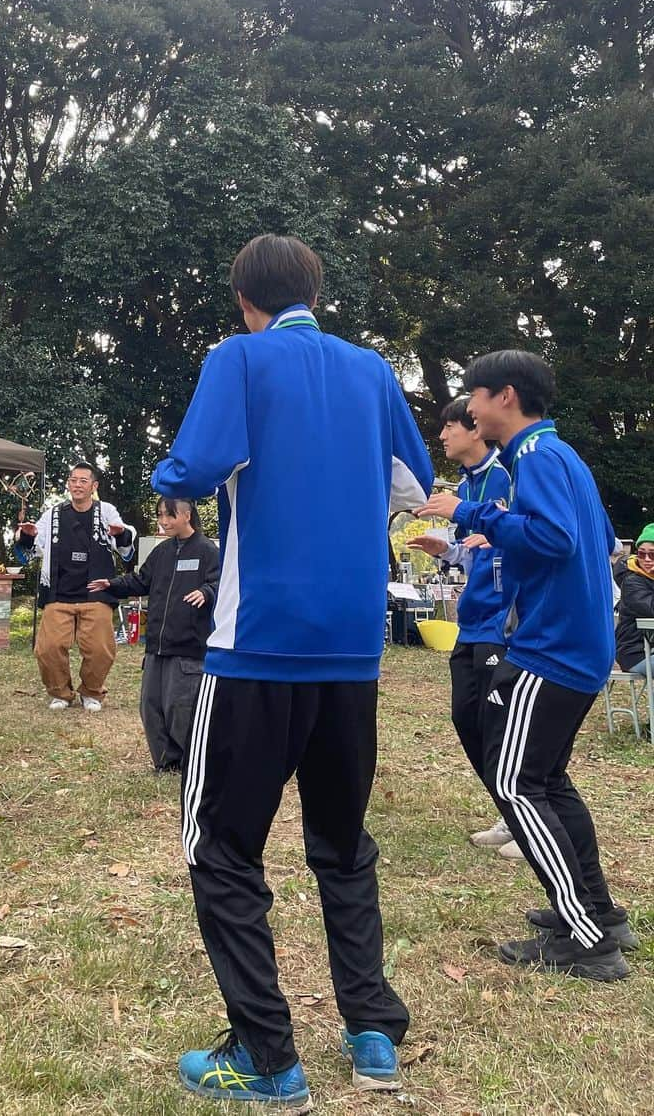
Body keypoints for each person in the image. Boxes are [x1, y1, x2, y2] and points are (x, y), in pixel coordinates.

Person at [152, 234, 433, 1107]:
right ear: (314, 288)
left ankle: (267, 1058)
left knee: (223, 849)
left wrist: (170, 471)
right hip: (352, 650)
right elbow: (411, 485)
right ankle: (372, 1031)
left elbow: (193, 471)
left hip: (256, 643)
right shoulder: (372, 369)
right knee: (343, 845)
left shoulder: (237, 358)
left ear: (245, 299)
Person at [418, 349, 633, 981]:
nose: (468, 409)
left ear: (504, 397)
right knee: (549, 781)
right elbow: (574, 540)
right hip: (576, 645)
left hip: (555, 649)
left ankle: (588, 940)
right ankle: (600, 911)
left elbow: (555, 539)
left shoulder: (538, 457)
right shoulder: (555, 457)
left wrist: (470, 513)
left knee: (514, 785)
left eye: (473, 397)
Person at [407, 397, 518, 857]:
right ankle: (509, 811)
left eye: (449, 427)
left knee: (501, 722)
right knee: (466, 717)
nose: (442, 436)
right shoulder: (466, 486)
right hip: (471, 620)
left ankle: (523, 820)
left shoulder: (507, 476)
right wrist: (446, 549)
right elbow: (472, 549)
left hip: (504, 620)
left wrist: (495, 531)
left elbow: (527, 537)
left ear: (475, 429)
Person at [87, 497, 219, 771]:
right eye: (160, 515)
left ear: (186, 515)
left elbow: (222, 583)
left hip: (188, 649)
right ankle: (164, 763)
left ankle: (191, 763)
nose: (163, 521)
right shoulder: (162, 552)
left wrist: (206, 592)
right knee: (151, 707)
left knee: (180, 709)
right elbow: (140, 581)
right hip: (156, 646)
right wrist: (111, 584)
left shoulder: (208, 551)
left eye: (169, 515)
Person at [15, 462, 136, 711]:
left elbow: (125, 545)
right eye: (73, 480)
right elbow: (34, 546)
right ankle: (60, 692)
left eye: (83, 480)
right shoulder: (53, 513)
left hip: (96, 591)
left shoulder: (106, 511)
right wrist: (27, 535)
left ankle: (91, 691)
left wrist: (120, 533)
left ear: (94, 486)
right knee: (47, 648)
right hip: (60, 591)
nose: (77, 485)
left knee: (100, 649)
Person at [614, 524, 654, 678]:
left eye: (652, 554)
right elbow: (650, 609)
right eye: (641, 554)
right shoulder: (631, 581)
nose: (646, 559)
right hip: (635, 653)